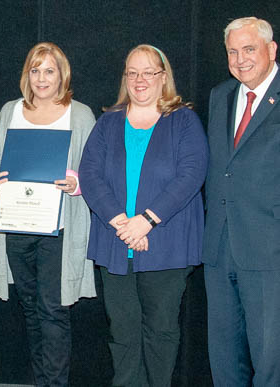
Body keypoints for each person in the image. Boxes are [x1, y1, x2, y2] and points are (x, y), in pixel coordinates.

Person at [79, 45, 208, 387]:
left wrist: (147, 220)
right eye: (132, 72)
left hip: (166, 244)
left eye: (148, 72)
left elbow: (192, 174)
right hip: (116, 241)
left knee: (161, 331)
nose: (139, 80)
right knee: (121, 331)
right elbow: (89, 175)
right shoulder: (108, 122)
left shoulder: (183, 120)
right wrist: (122, 222)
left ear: (163, 77)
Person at [0, 42, 96, 387]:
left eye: (49, 70)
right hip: (16, 226)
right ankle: (42, 381)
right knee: (31, 313)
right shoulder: (10, 111)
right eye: (35, 70)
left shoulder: (79, 114)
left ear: (61, 74)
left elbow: (95, 171)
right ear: (27, 75)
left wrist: (75, 182)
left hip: (58, 230)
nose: (41, 78)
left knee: (53, 312)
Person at [203, 17, 280, 386]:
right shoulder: (221, 95)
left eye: (249, 49)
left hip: (269, 250)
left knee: (270, 362)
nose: (240, 59)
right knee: (224, 360)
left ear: (271, 49)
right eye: (233, 51)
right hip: (219, 249)